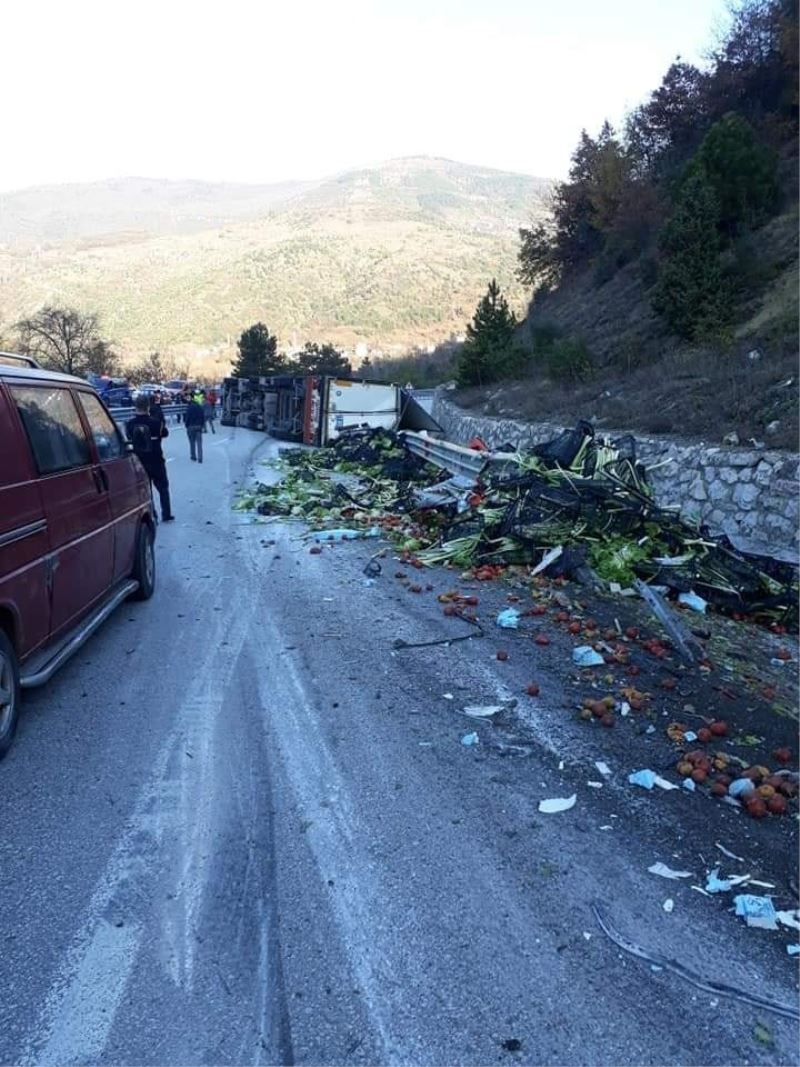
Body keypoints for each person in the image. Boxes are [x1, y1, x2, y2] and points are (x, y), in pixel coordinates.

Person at [126, 395, 174, 521]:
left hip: (140, 462)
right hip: (157, 460)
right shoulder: (156, 423)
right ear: (148, 407)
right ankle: (166, 514)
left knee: (146, 491)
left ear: (135, 407)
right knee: (163, 488)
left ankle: (152, 514)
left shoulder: (130, 424)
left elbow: (128, 437)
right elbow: (165, 433)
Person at [184, 395, 205, 462]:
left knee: (192, 442)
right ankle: (200, 458)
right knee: (199, 443)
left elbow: (187, 418)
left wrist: (186, 425)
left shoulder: (189, 408)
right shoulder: (200, 407)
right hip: (198, 426)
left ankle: (193, 456)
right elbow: (202, 417)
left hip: (191, 426)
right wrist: (202, 425)